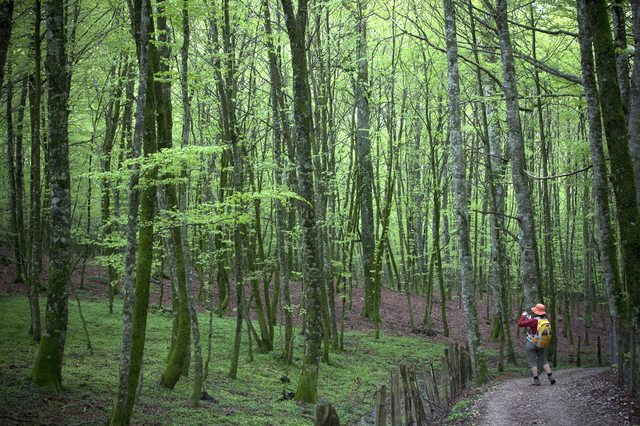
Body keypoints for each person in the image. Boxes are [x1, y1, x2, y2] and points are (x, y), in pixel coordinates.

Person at [518, 303, 556, 386]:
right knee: (543, 360)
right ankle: (551, 377)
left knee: (532, 362)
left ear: (536, 312)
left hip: (531, 343)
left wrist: (523, 315)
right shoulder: (546, 320)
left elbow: (520, 323)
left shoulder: (534, 320)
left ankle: (536, 380)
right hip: (541, 343)